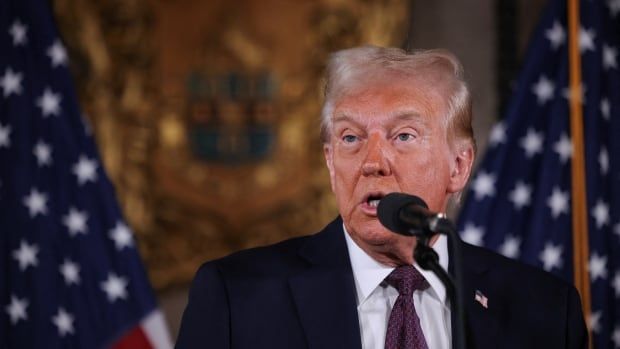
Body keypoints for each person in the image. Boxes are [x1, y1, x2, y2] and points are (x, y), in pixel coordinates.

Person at [175, 46, 587, 349]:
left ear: (458, 166)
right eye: (351, 137)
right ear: (331, 162)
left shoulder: (545, 311)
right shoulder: (238, 299)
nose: (373, 162)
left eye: (403, 136)